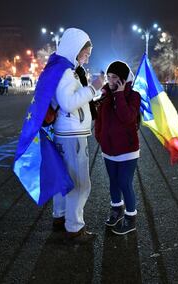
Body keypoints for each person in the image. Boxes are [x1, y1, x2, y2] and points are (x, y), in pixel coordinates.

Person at [51, 28, 104, 242]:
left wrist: (95, 92)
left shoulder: (64, 68)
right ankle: (74, 228)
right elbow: (67, 102)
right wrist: (93, 89)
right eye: (86, 52)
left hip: (66, 132)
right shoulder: (67, 71)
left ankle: (60, 217)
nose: (87, 57)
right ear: (76, 49)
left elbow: (73, 100)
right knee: (80, 183)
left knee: (64, 179)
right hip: (72, 134)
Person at [94, 61, 141, 235]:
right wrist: (101, 138)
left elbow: (127, 118)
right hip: (109, 150)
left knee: (124, 182)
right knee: (113, 182)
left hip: (128, 151)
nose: (110, 80)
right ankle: (117, 210)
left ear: (122, 79)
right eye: (109, 77)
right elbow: (98, 121)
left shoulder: (133, 96)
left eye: (114, 77)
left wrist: (120, 95)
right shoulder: (104, 95)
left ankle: (130, 217)